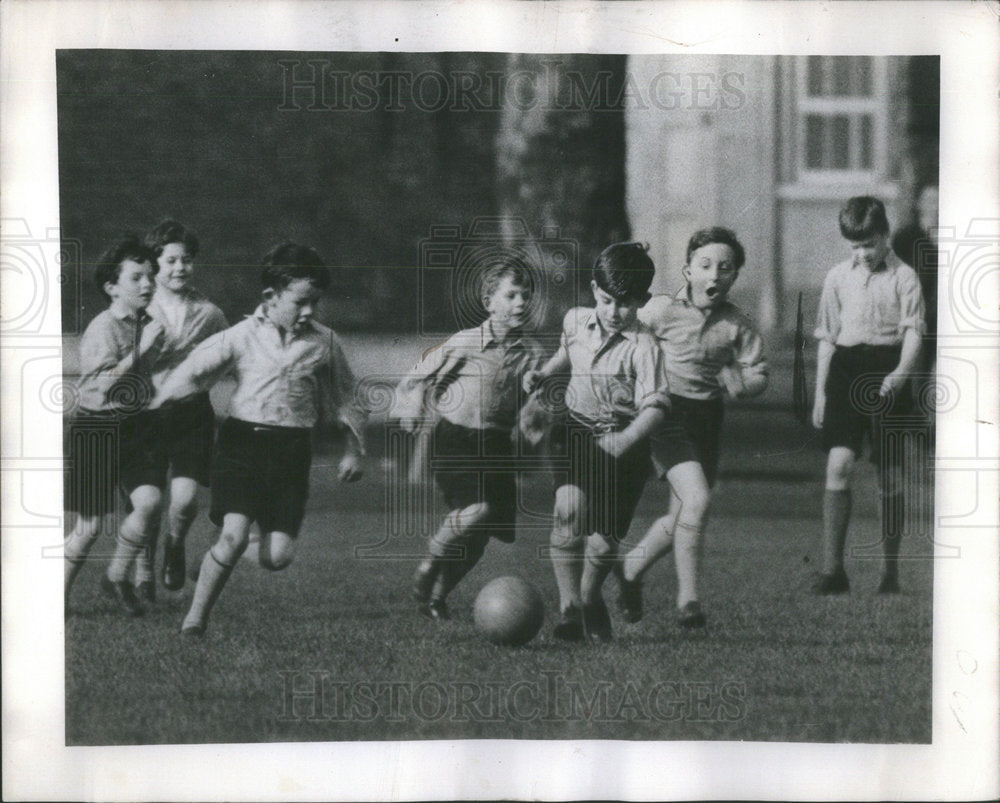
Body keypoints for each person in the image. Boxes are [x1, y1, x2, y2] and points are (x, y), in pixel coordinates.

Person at [153, 242, 366, 636]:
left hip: (292, 453)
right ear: (271, 296)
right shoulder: (240, 336)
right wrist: (159, 405)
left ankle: (217, 556)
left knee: (277, 557)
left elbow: (347, 395)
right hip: (242, 445)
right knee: (233, 535)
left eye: (314, 303)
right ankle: (195, 619)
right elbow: (192, 370)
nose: (308, 312)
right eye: (300, 302)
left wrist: (353, 448)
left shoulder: (324, 343)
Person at [616, 226, 769, 629]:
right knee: (697, 501)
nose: (713, 275)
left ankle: (630, 568)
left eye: (725, 268)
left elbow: (758, 373)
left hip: (706, 419)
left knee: (686, 511)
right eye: (704, 266)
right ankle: (689, 599)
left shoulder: (738, 324)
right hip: (666, 415)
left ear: (735, 276)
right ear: (687, 271)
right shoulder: (661, 310)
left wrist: (744, 385)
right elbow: (625, 338)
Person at [524, 242, 669, 642]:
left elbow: (656, 408)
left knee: (604, 543)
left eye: (625, 304)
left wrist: (626, 439)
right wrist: (543, 373)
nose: (613, 312)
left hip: (625, 445)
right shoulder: (575, 321)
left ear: (642, 301)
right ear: (593, 291)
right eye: (606, 301)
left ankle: (590, 595)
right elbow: (566, 353)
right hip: (574, 431)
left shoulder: (645, 348)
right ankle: (569, 606)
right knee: (568, 511)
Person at [396, 260, 546, 620]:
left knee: (479, 539)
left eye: (526, 296)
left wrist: (533, 420)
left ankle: (437, 598)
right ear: (489, 301)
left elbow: (534, 405)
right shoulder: (466, 342)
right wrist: (413, 404)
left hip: (496, 447)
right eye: (511, 295)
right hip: (455, 440)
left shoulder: (533, 354)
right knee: (477, 511)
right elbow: (417, 376)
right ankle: (430, 561)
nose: (520, 303)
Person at [812, 196, 925, 595]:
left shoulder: (905, 277)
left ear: (885, 236)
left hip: (887, 369)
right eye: (855, 247)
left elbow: (913, 332)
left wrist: (899, 374)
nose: (862, 254)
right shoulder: (837, 277)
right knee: (838, 464)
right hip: (845, 370)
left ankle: (889, 572)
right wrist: (821, 396)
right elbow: (827, 338)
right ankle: (832, 571)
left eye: (869, 245)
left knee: (888, 475)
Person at [63, 236, 167, 616]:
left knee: (150, 501)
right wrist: (141, 349)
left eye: (151, 277)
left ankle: (116, 576)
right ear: (111, 288)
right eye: (137, 277)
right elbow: (103, 384)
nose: (148, 284)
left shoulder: (148, 324)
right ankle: (55, 599)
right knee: (89, 528)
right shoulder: (103, 327)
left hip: (138, 427)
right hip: (97, 427)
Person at [127, 219, 228, 602]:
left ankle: (175, 543)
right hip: (145, 416)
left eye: (186, 260)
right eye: (170, 260)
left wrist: (203, 382)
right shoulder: (137, 308)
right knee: (147, 501)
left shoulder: (210, 312)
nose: (179, 268)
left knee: (184, 499)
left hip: (191, 415)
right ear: (154, 263)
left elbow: (229, 355)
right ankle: (143, 569)